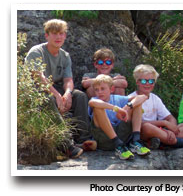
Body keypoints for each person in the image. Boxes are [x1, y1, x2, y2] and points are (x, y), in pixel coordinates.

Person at [25, 19, 97, 158]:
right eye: (54, 33)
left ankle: (84, 139)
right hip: (36, 91)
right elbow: (38, 78)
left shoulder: (65, 56)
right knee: (47, 99)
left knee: (80, 96)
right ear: (47, 35)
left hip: (57, 88)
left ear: (65, 36)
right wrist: (58, 96)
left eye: (61, 33)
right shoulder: (36, 52)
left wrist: (68, 94)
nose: (58, 37)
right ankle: (66, 145)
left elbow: (68, 79)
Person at [129, 64, 183, 148]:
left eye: (151, 81)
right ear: (137, 82)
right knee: (147, 127)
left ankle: (162, 140)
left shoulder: (155, 98)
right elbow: (136, 124)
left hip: (159, 131)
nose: (148, 84)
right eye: (144, 81)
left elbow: (170, 118)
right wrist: (163, 123)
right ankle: (179, 142)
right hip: (143, 132)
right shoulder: (132, 98)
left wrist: (171, 130)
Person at [88, 74, 151, 160]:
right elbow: (93, 103)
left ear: (111, 89)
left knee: (136, 103)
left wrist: (126, 107)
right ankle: (118, 144)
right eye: (96, 90)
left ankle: (136, 141)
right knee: (98, 108)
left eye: (103, 89)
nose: (99, 92)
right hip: (104, 139)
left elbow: (143, 96)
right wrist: (116, 109)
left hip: (122, 136)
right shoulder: (94, 100)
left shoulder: (118, 98)